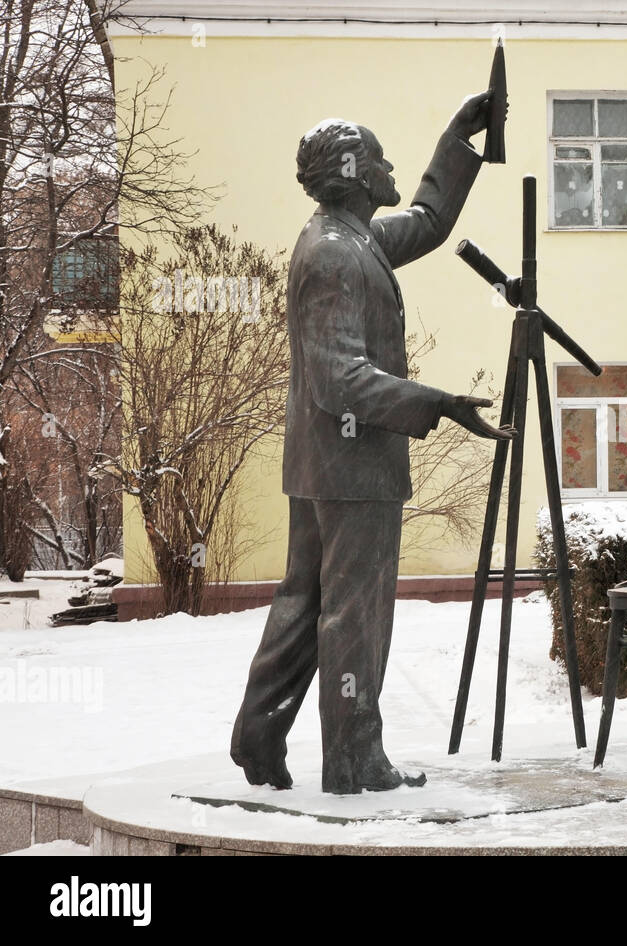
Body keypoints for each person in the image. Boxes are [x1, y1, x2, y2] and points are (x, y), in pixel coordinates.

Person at [230, 93, 513, 794]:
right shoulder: (335, 254)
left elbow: (428, 221)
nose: (391, 168)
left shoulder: (351, 238)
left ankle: (259, 734)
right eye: (381, 159)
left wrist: (458, 138)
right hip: (351, 464)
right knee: (354, 613)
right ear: (355, 174)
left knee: (305, 601)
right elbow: (340, 377)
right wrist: (435, 403)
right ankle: (353, 758)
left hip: (323, 463)